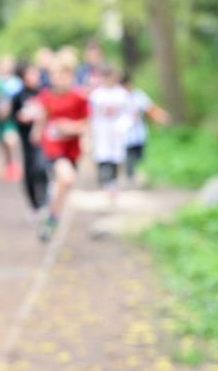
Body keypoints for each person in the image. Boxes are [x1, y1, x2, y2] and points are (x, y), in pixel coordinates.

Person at [28, 54, 89, 242]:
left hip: (72, 147)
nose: (57, 79)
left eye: (62, 74)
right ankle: (51, 213)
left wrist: (71, 128)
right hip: (53, 146)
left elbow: (87, 124)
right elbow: (43, 118)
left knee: (65, 184)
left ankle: (52, 214)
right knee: (67, 178)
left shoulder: (80, 97)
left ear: (70, 75)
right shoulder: (47, 97)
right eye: (53, 75)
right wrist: (37, 131)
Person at [88, 65, 132, 203]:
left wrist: (122, 126)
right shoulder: (96, 95)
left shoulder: (122, 94)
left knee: (115, 158)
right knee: (103, 157)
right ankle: (106, 183)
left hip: (116, 130)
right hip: (102, 130)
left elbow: (129, 113)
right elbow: (93, 114)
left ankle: (112, 184)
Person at [11, 61, 49, 217]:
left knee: (42, 167)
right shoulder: (19, 96)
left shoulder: (44, 93)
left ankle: (45, 200)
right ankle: (34, 204)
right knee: (30, 170)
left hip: (43, 139)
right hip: (27, 139)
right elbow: (14, 116)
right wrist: (21, 118)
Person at [121, 71, 170, 185]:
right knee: (129, 158)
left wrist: (161, 116)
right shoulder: (118, 96)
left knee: (140, 157)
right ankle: (130, 179)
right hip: (124, 134)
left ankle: (139, 179)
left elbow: (150, 108)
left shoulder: (138, 95)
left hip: (138, 133)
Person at [0, 54, 24, 181]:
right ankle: (8, 165)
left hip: (11, 118)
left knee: (10, 140)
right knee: (2, 143)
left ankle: (14, 164)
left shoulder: (16, 82)